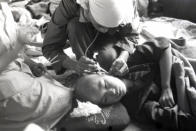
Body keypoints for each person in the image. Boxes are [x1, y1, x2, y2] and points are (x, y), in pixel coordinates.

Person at [73, 37, 196, 131]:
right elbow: (184, 121)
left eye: (105, 85)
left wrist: (166, 87)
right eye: (105, 99)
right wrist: (180, 81)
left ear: (103, 74)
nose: (112, 92)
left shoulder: (131, 62)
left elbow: (163, 45)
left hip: (176, 66)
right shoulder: (137, 107)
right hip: (185, 89)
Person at [42, 0, 140, 76]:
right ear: (87, 8)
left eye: (111, 27)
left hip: (112, 37)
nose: (105, 30)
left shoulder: (128, 5)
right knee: (74, 26)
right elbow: (49, 49)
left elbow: (132, 35)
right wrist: (74, 65)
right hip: (80, 28)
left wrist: (123, 57)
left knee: (109, 60)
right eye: (100, 26)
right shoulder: (70, 4)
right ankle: (84, 64)